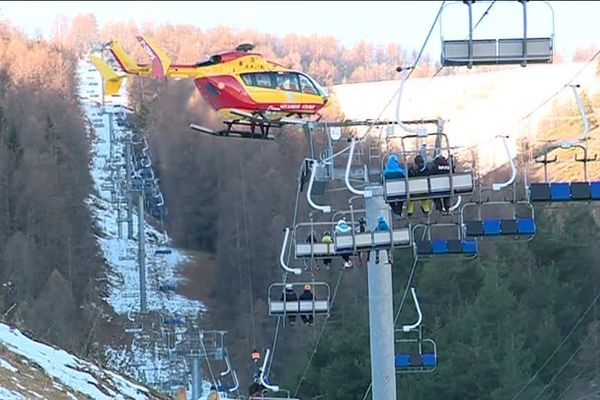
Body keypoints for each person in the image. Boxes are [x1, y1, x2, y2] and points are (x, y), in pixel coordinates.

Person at [430, 150, 455, 215]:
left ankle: (440, 208)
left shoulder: (435, 167)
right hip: (447, 186)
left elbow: (430, 174)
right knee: (447, 195)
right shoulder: (448, 166)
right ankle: (447, 208)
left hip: (436, 188)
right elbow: (453, 173)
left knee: (435, 196)